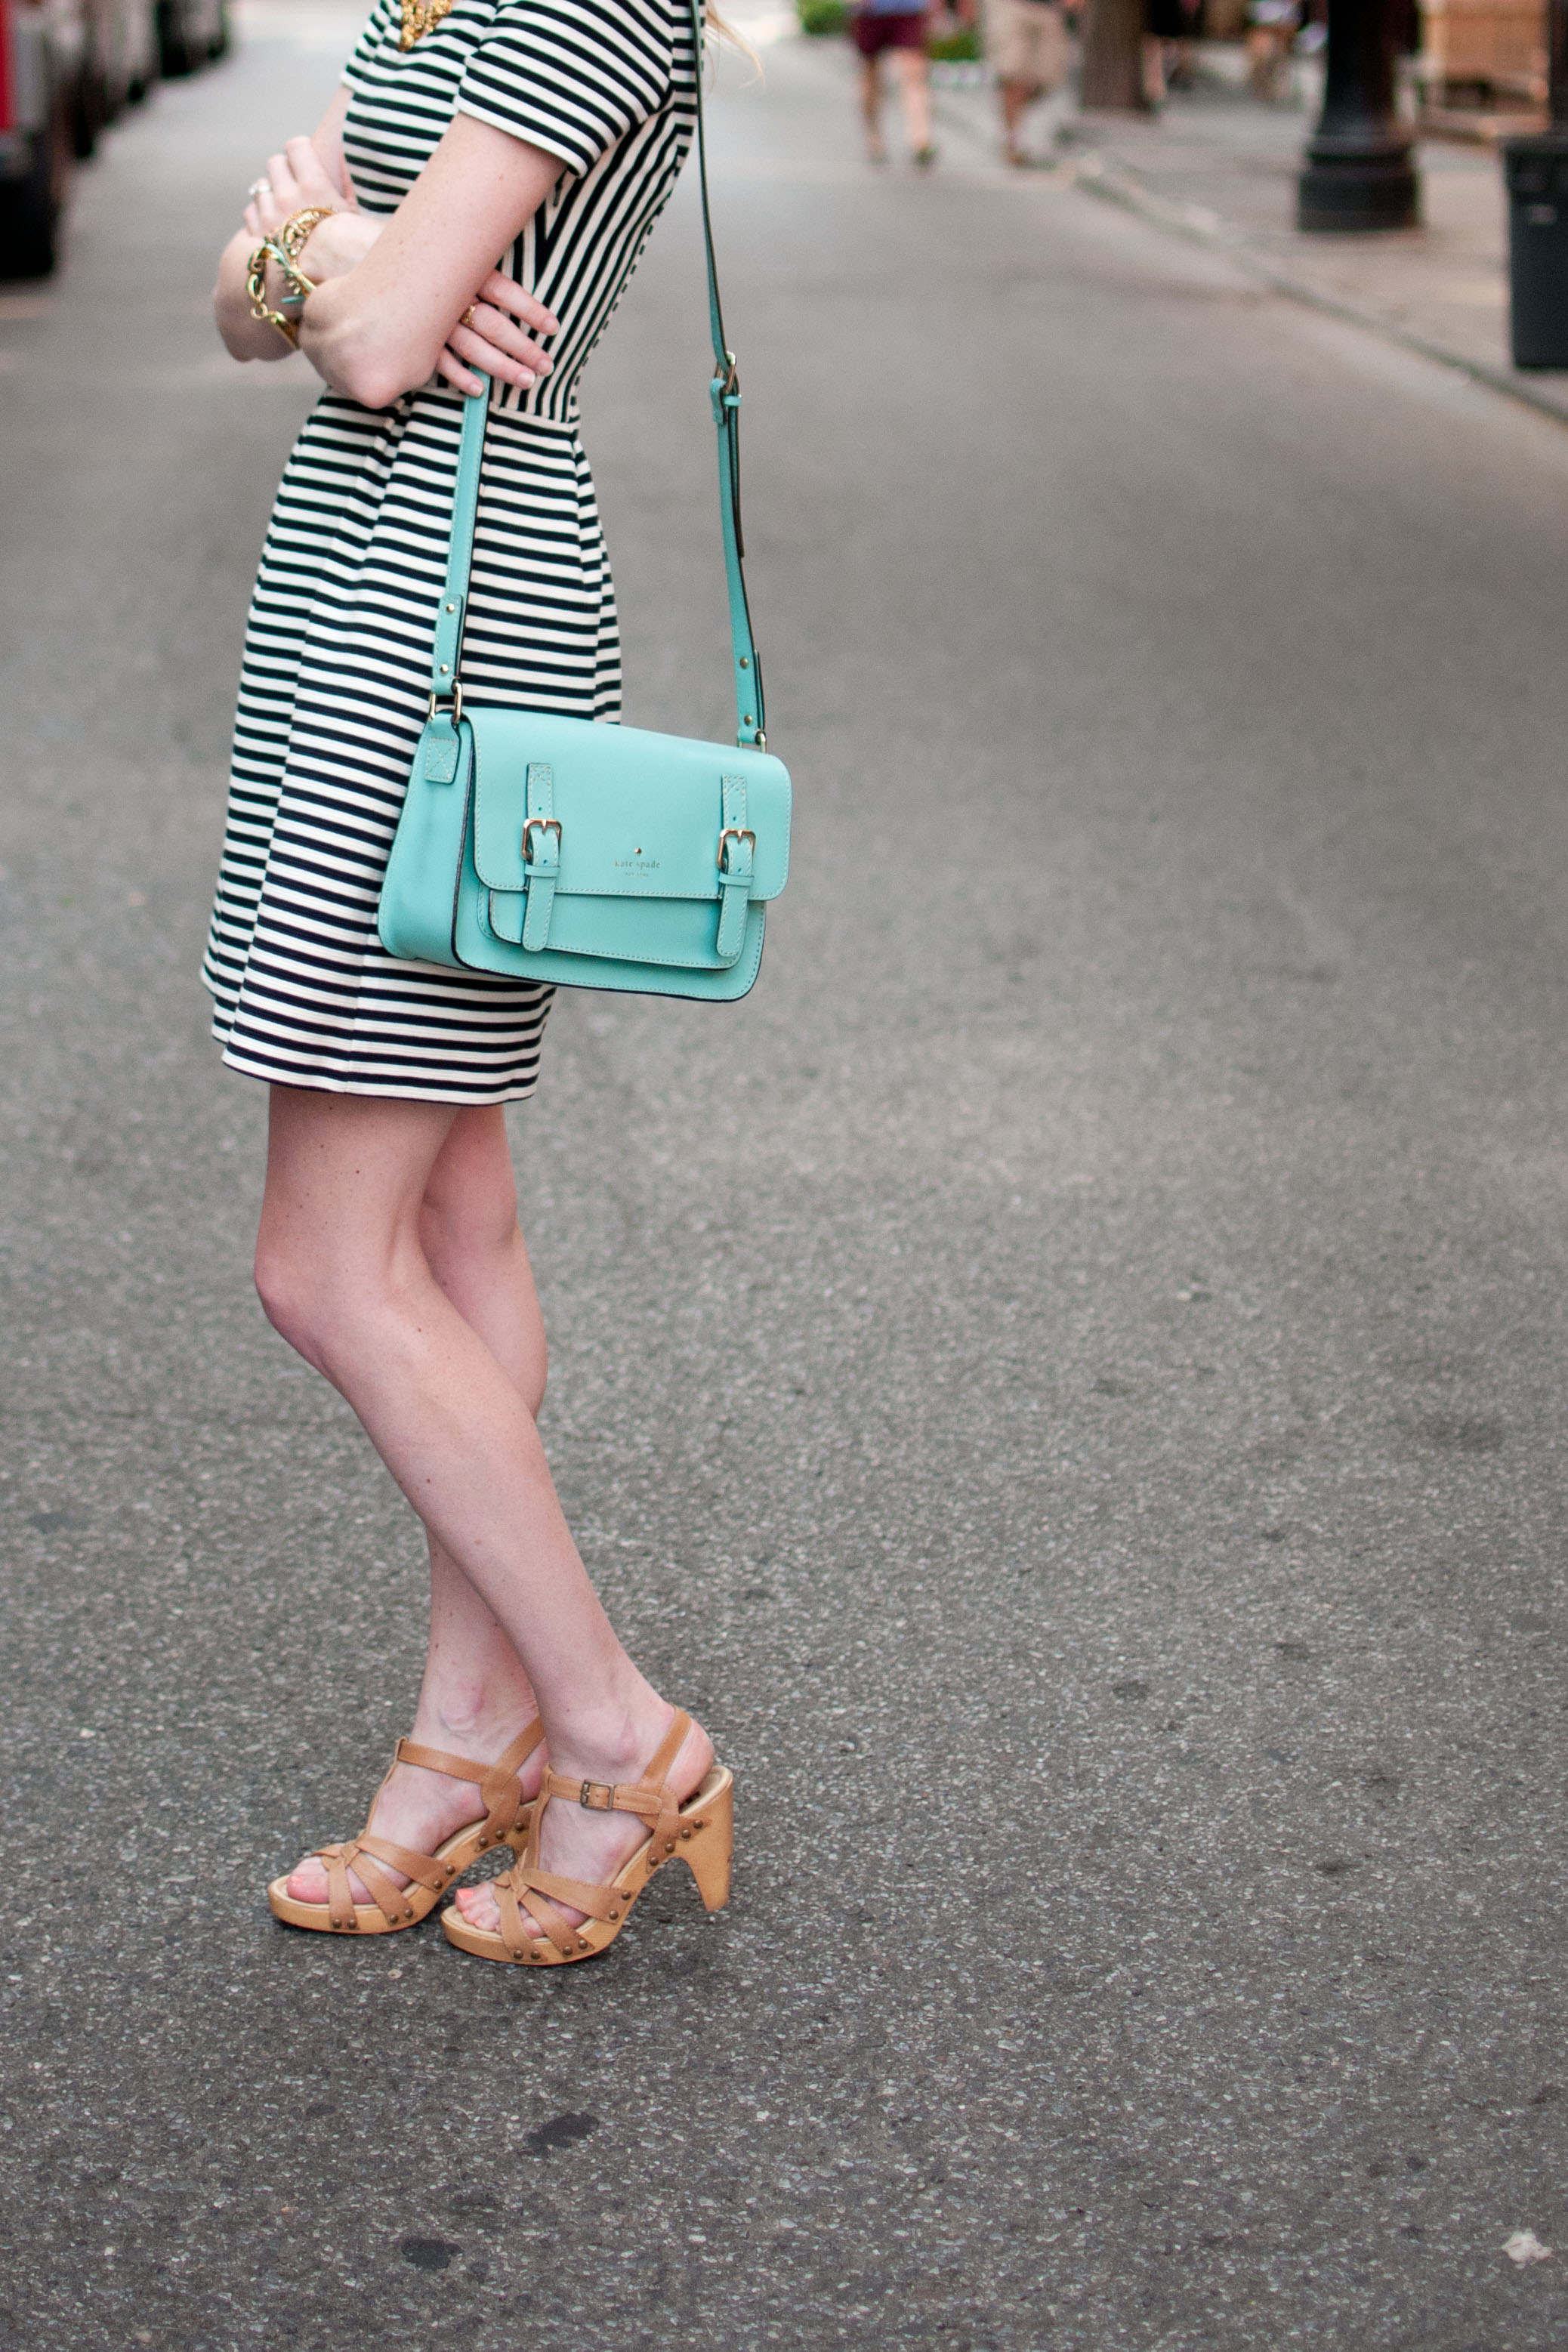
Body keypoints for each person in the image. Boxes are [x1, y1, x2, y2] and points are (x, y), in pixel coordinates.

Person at [205, 0, 736, 1968]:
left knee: (320, 1265)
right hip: (352, 590)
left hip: (436, 628)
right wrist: (319, 263)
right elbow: (254, 307)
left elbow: (351, 336)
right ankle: (466, 1741)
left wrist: (327, 267)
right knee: (453, 1207)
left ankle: (615, 1729)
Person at [981, 0, 1067, 168]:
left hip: (1050, 9)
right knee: (1015, 74)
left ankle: (1012, 118)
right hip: (1011, 6)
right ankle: (1014, 138)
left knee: (1049, 78)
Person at [852, 0, 937, 167]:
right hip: (870, 11)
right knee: (870, 75)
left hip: (909, 8)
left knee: (914, 72)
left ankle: (920, 139)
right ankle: (874, 136)